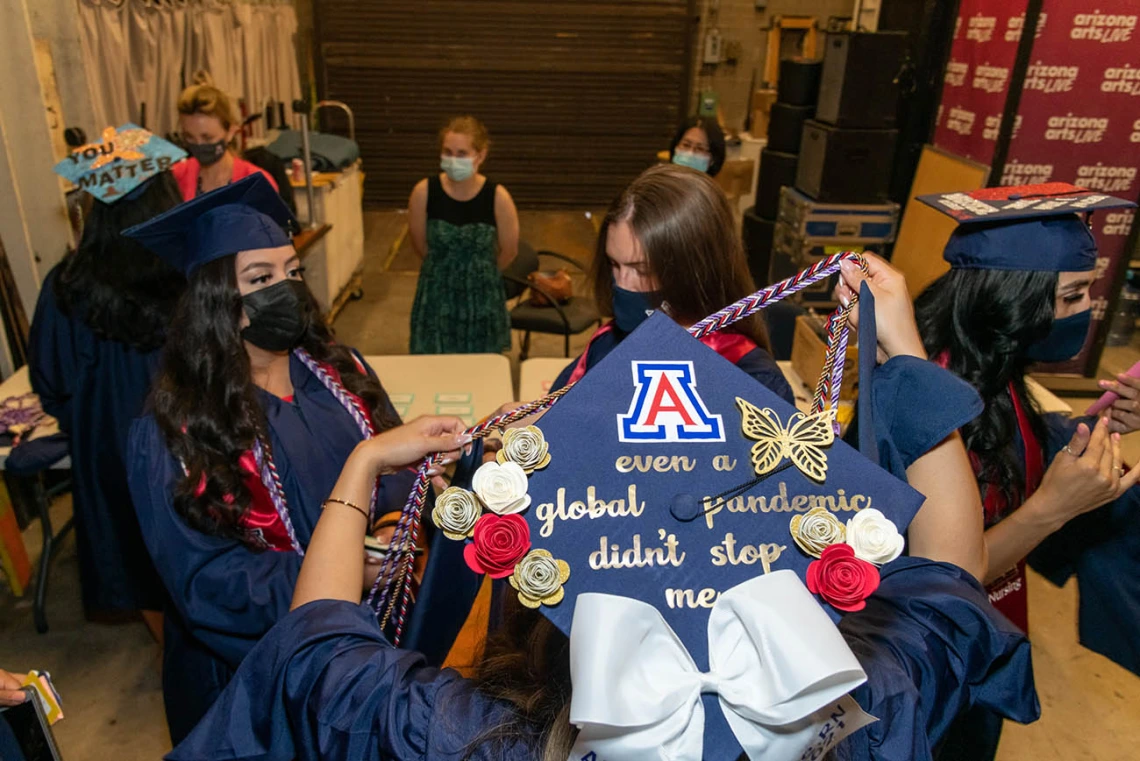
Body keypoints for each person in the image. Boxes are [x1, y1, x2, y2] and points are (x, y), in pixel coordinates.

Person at [167, 276, 1036, 761]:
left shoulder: (472, 742)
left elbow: (319, 648)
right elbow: (949, 579)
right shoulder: (869, 713)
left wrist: (361, 468)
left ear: (555, 626)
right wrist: (906, 350)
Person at [121, 174, 447, 743]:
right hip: (255, 679)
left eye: (293, 271)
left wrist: (422, 492)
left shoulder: (342, 371)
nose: (287, 289)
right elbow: (206, 582)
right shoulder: (174, 432)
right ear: (217, 301)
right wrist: (347, 569)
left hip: (375, 640)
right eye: (260, 278)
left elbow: (394, 472)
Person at [873, 185, 1140, 760]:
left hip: (987, 627)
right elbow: (949, 568)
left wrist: (1105, 427)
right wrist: (1055, 507)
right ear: (1013, 296)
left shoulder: (995, 364)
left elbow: (1015, 464)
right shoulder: (932, 404)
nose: (1085, 311)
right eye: (1070, 296)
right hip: (926, 652)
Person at [29, 125, 187, 624]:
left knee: (140, 574)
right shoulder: (195, 274)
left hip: (111, 456)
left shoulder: (67, 286)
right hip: (193, 447)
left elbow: (52, 385)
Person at [552, 164, 794, 405]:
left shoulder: (752, 381)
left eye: (641, 269)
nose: (623, 284)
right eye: (614, 265)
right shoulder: (606, 345)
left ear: (695, 270)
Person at [408, 115, 518, 354]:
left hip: (482, 297)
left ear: (480, 155)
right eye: (447, 152)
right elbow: (419, 245)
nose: (453, 160)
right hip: (436, 295)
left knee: (482, 371)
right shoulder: (423, 192)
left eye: (461, 154)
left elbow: (509, 250)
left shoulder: (498, 197)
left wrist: (479, 272)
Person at [173, 71, 278, 200]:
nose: (199, 144)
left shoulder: (255, 183)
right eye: (190, 137)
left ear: (231, 132)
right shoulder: (176, 177)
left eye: (207, 138)